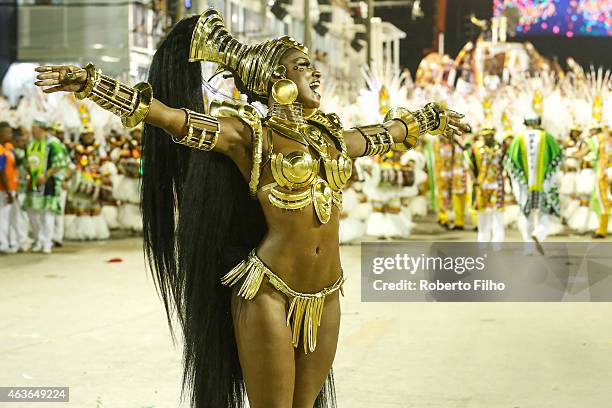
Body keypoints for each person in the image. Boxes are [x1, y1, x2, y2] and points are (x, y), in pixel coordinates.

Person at [34, 8, 469, 407]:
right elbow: (170, 118)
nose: (315, 73)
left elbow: (383, 133)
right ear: (274, 78)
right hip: (268, 292)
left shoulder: (331, 136)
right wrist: (92, 85)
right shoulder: (249, 134)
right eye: (301, 65)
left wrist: (430, 118)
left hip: (326, 293)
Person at [504, 112, 562, 254]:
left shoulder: (518, 139)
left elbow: (510, 163)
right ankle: (540, 232)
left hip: (526, 186)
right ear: (538, 122)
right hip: (544, 184)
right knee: (545, 212)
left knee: (526, 214)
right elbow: (558, 158)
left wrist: (518, 183)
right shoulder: (548, 138)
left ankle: (528, 246)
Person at [22, 119, 69, 254]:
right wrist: (30, 175)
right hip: (34, 182)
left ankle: (47, 242)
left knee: (47, 213)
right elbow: (27, 162)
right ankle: (39, 240)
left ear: (42, 129)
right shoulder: (32, 143)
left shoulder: (53, 144)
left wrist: (46, 175)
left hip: (49, 182)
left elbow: (61, 162)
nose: (32, 131)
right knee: (33, 213)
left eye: (34, 128)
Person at [0, 122, 19, 253]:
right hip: (3, 189)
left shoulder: (8, 147)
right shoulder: (1, 150)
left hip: (12, 187)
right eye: (7, 132)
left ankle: (13, 243)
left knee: (12, 217)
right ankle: (3, 244)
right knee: (3, 218)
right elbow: (1, 172)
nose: (10, 135)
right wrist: (8, 192)